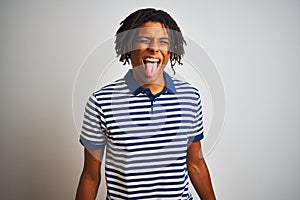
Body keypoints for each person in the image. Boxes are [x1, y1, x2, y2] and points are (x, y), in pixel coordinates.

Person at [76, 8, 216, 200]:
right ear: (128, 46)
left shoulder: (190, 97)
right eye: (144, 40)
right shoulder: (100, 102)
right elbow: (90, 176)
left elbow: (195, 164)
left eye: (163, 42)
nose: (154, 48)